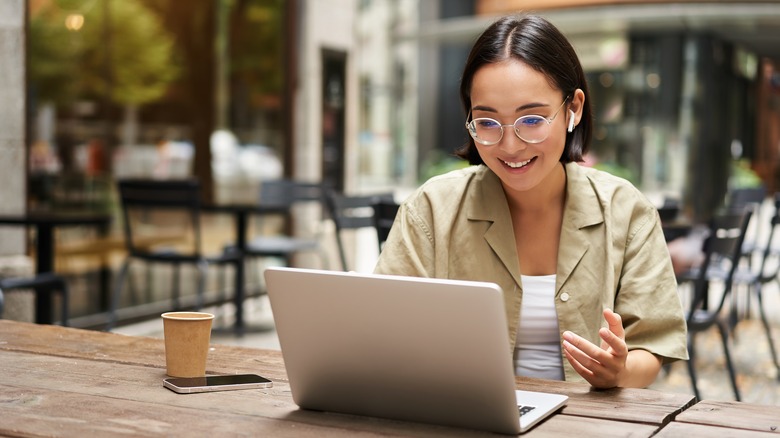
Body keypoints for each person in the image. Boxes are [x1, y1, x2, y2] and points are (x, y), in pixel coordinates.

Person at [374, 14, 688, 389]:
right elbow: (384, 335)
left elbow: (650, 347)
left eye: (532, 120)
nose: (510, 145)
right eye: (488, 123)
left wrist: (618, 371)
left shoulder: (627, 211)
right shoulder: (430, 211)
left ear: (573, 109)